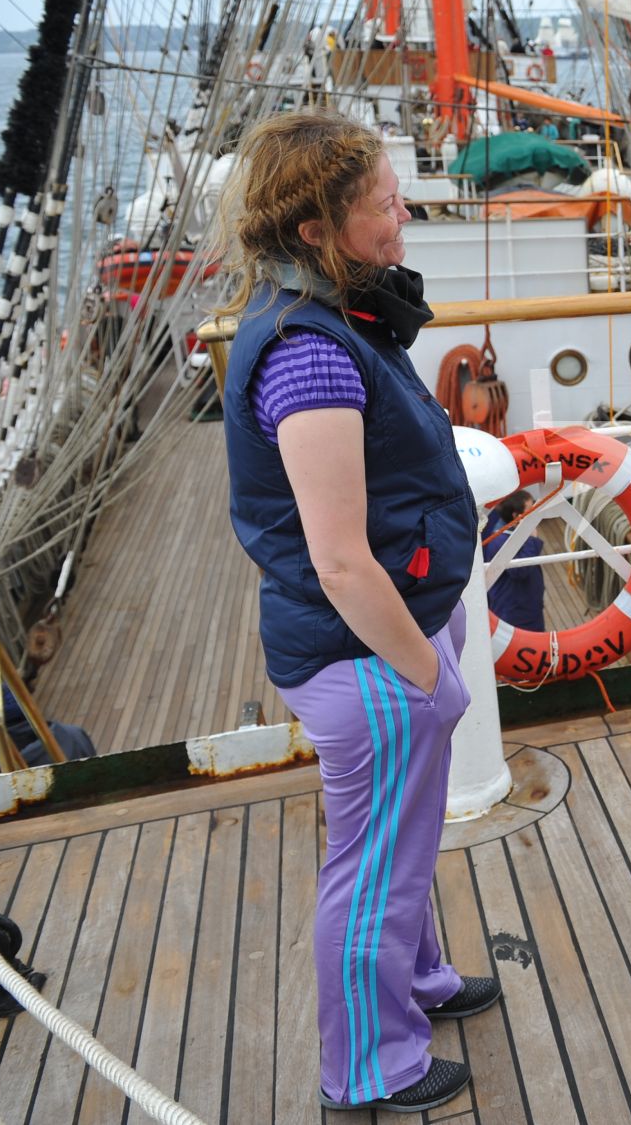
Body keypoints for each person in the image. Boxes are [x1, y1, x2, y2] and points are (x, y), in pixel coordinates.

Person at [217, 109, 501, 1114]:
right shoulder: (309, 355)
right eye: (383, 204)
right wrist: (429, 676)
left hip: (392, 640)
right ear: (315, 230)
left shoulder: (337, 317)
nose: (401, 217)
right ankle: (370, 1067)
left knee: (401, 839)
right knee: (372, 868)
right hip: (368, 655)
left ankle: (417, 979)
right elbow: (338, 559)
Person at [482, 490, 545, 631]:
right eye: (530, 510)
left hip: (528, 607)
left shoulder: (509, 535)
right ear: (516, 516)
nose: (535, 513)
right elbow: (519, 570)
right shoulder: (500, 541)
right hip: (514, 612)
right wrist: (532, 539)